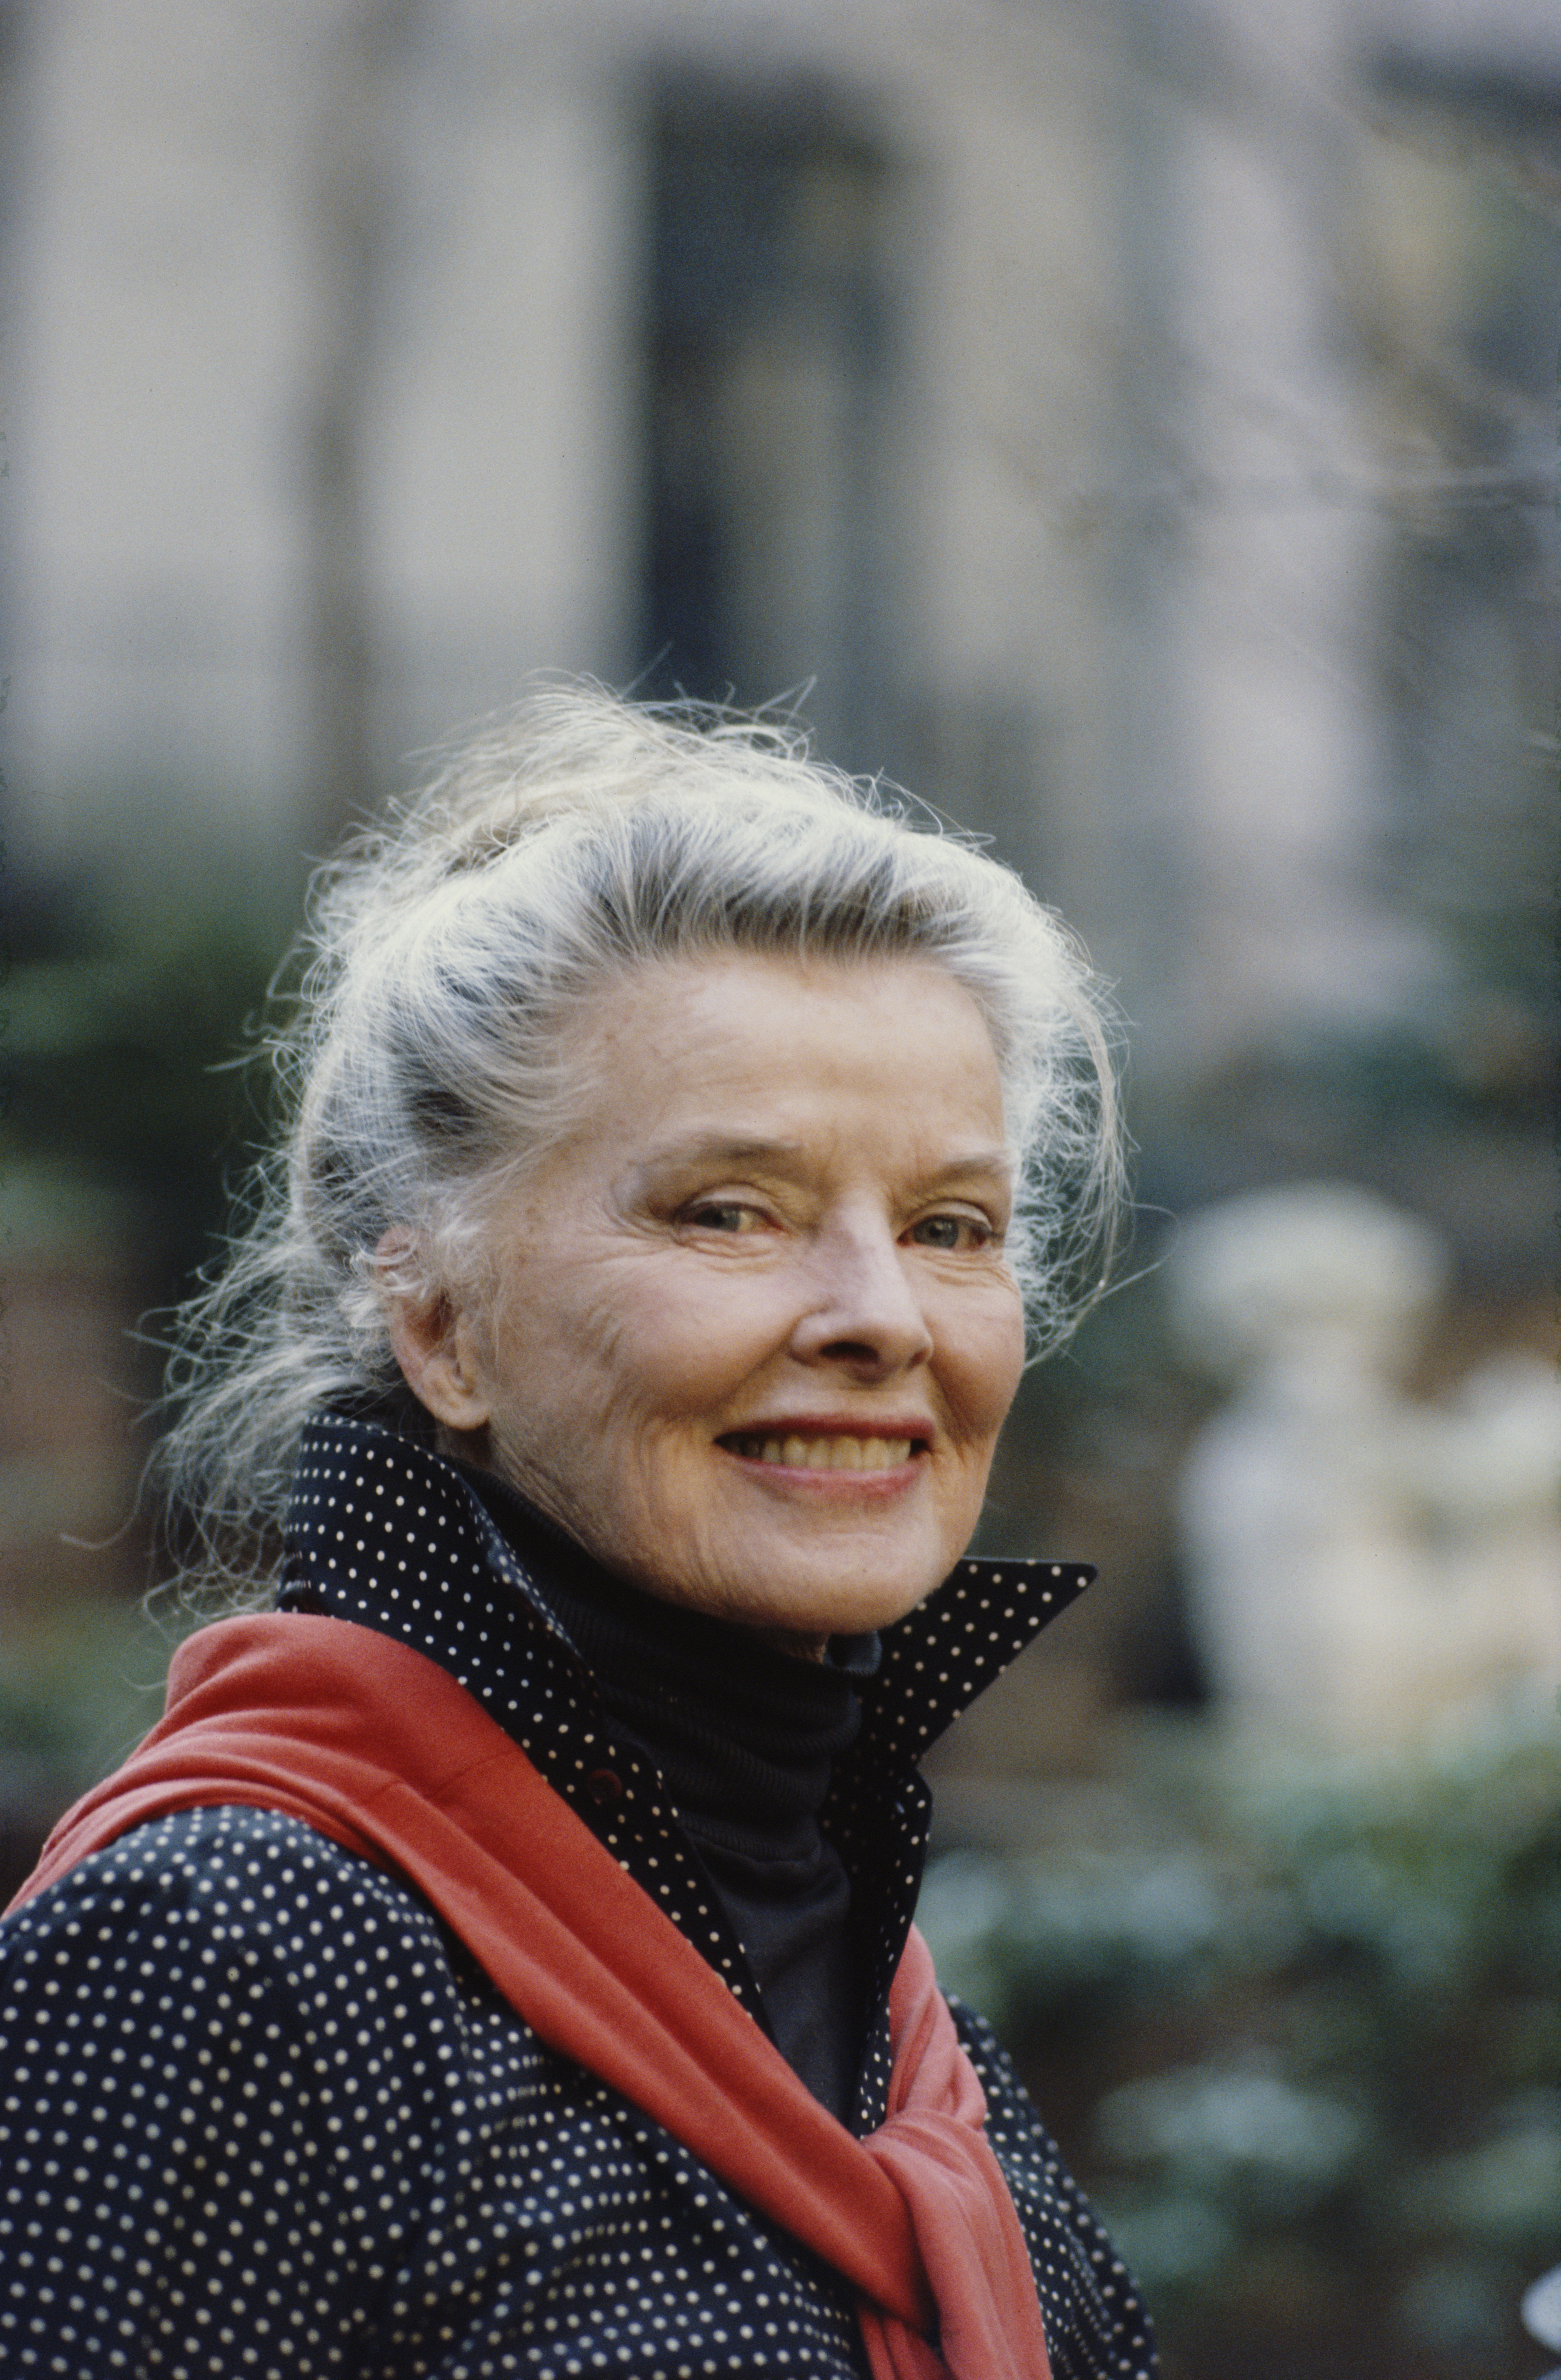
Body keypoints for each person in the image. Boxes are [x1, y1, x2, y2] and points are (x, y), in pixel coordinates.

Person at [0, 687, 1155, 2379]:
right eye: (731, 1211)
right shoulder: (225, 1957)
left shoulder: (884, 2013)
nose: (881, 1313)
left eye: (950, 1223)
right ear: (443, 1322)